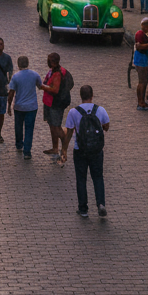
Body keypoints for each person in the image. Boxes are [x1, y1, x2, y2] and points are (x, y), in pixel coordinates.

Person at [65, 85, 110, 218]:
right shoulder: (100, 110)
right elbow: (106, 126)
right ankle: (101, 203)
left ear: (80, 96)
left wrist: (64, 150)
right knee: (97, 177)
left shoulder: (73, 112)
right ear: (92, 95)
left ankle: (83, 209)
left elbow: (68, 132)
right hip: (96, 150)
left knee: (81, 179)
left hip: (80, 150)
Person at [7, 56, 43, 159]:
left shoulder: (15, 77)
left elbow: (11, 93)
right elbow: (40, 86)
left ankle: (19, 144)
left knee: (18, 126)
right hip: (31, 107)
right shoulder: (34, 74)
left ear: (18, 64)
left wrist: (9, 106)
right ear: (28, 63)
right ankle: (27, 151)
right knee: (29, 129)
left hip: (19, 107)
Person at [40, 52, 70, 163]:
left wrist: (43, 87)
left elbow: (55, 90)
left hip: (55, 104)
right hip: (49, 103)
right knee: (52, 126)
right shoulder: (53, 71)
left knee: (56, 127)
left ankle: (64, 147)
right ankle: (55, 148)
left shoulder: (57, 73)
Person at [133, 18, 148, 111]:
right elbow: (139, 46)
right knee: (143, 81)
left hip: (142, 59)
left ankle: (141, 101)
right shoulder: (139, 34)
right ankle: (141, 103)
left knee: (142, 81)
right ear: (145, 26)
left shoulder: (142, 34)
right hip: (141, 59)